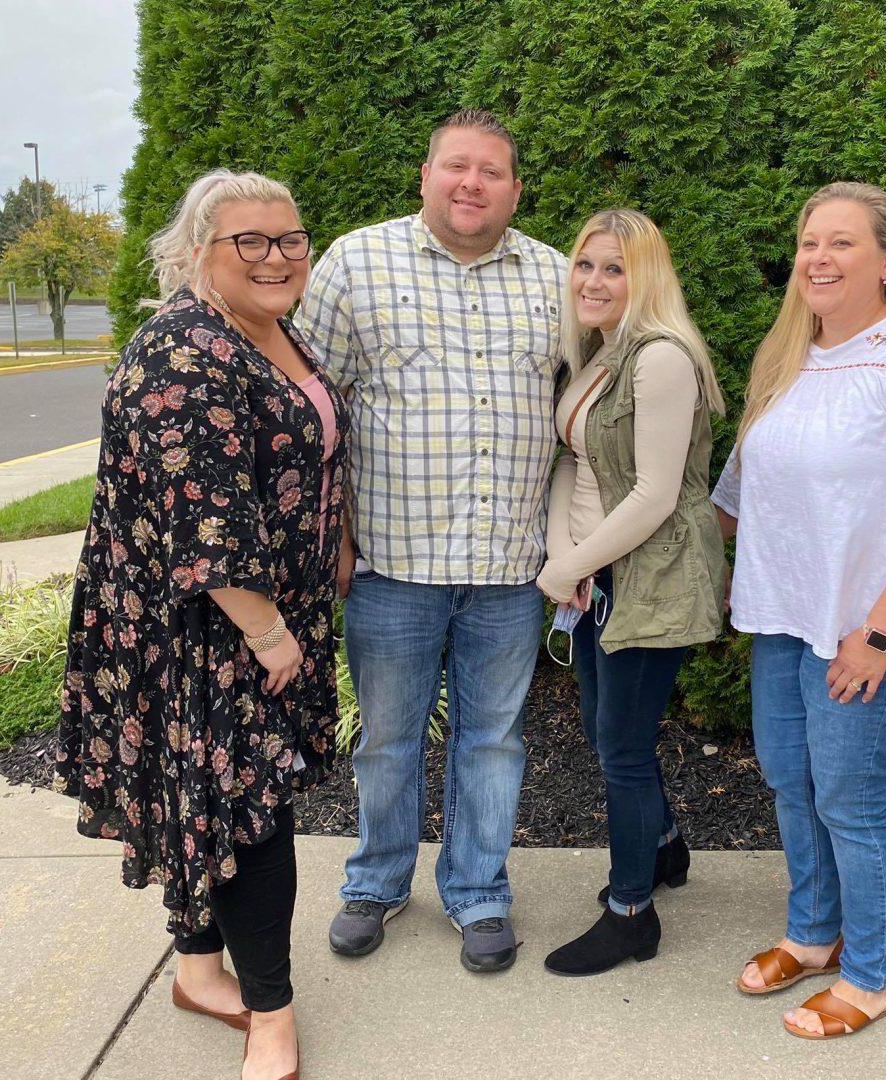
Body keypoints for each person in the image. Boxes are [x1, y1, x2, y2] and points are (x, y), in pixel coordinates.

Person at [55, 169, 347, 1080]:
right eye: (248, 242)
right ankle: (272, 1017)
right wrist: (268, 633)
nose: (276, 256)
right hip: (206, 626)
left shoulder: (265, 330)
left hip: (260, 609)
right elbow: (207, 520)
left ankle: (195, 968)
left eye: (290, 238)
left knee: (205, 795)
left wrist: (331, 552)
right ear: (196, 253)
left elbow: (303, 462)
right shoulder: (184, 350)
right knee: (251, 810)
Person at [712, 182, 886, 1038]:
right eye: (807, 243)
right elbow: (738, 493)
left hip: (878, 631)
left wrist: (876, 635)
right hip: (788, 619)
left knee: (850, 796)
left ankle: (873, 976)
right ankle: (814, 933)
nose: (818, 259)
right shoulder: (790, 358)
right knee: (791, 781)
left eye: (841, 244)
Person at [298, 109, 567, 974]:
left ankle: (479, 892)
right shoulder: (355, 262)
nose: (472, 184)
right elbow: (312, 408)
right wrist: (329, 534)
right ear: (424, 175)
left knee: (494, 741)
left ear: (516, 189)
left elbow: (585, 423)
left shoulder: (557, 280)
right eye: (457, 166)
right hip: (391, 567)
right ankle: (375, 882)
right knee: (386, 739)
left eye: (492, 172)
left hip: (509, 574)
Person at [536, 209, 727, 975]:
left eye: (614, 268)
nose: (594, 280)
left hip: (651, 578)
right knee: (604, 728)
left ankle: (630, 915)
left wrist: (570, 565)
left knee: (620, 745)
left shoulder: (661, 359)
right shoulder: (597, 357)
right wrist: (565, 556)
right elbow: (571, 466)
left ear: (644, 278)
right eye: (586, 263)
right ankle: (663, 847)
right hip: (593, 574)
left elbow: (653, 495)